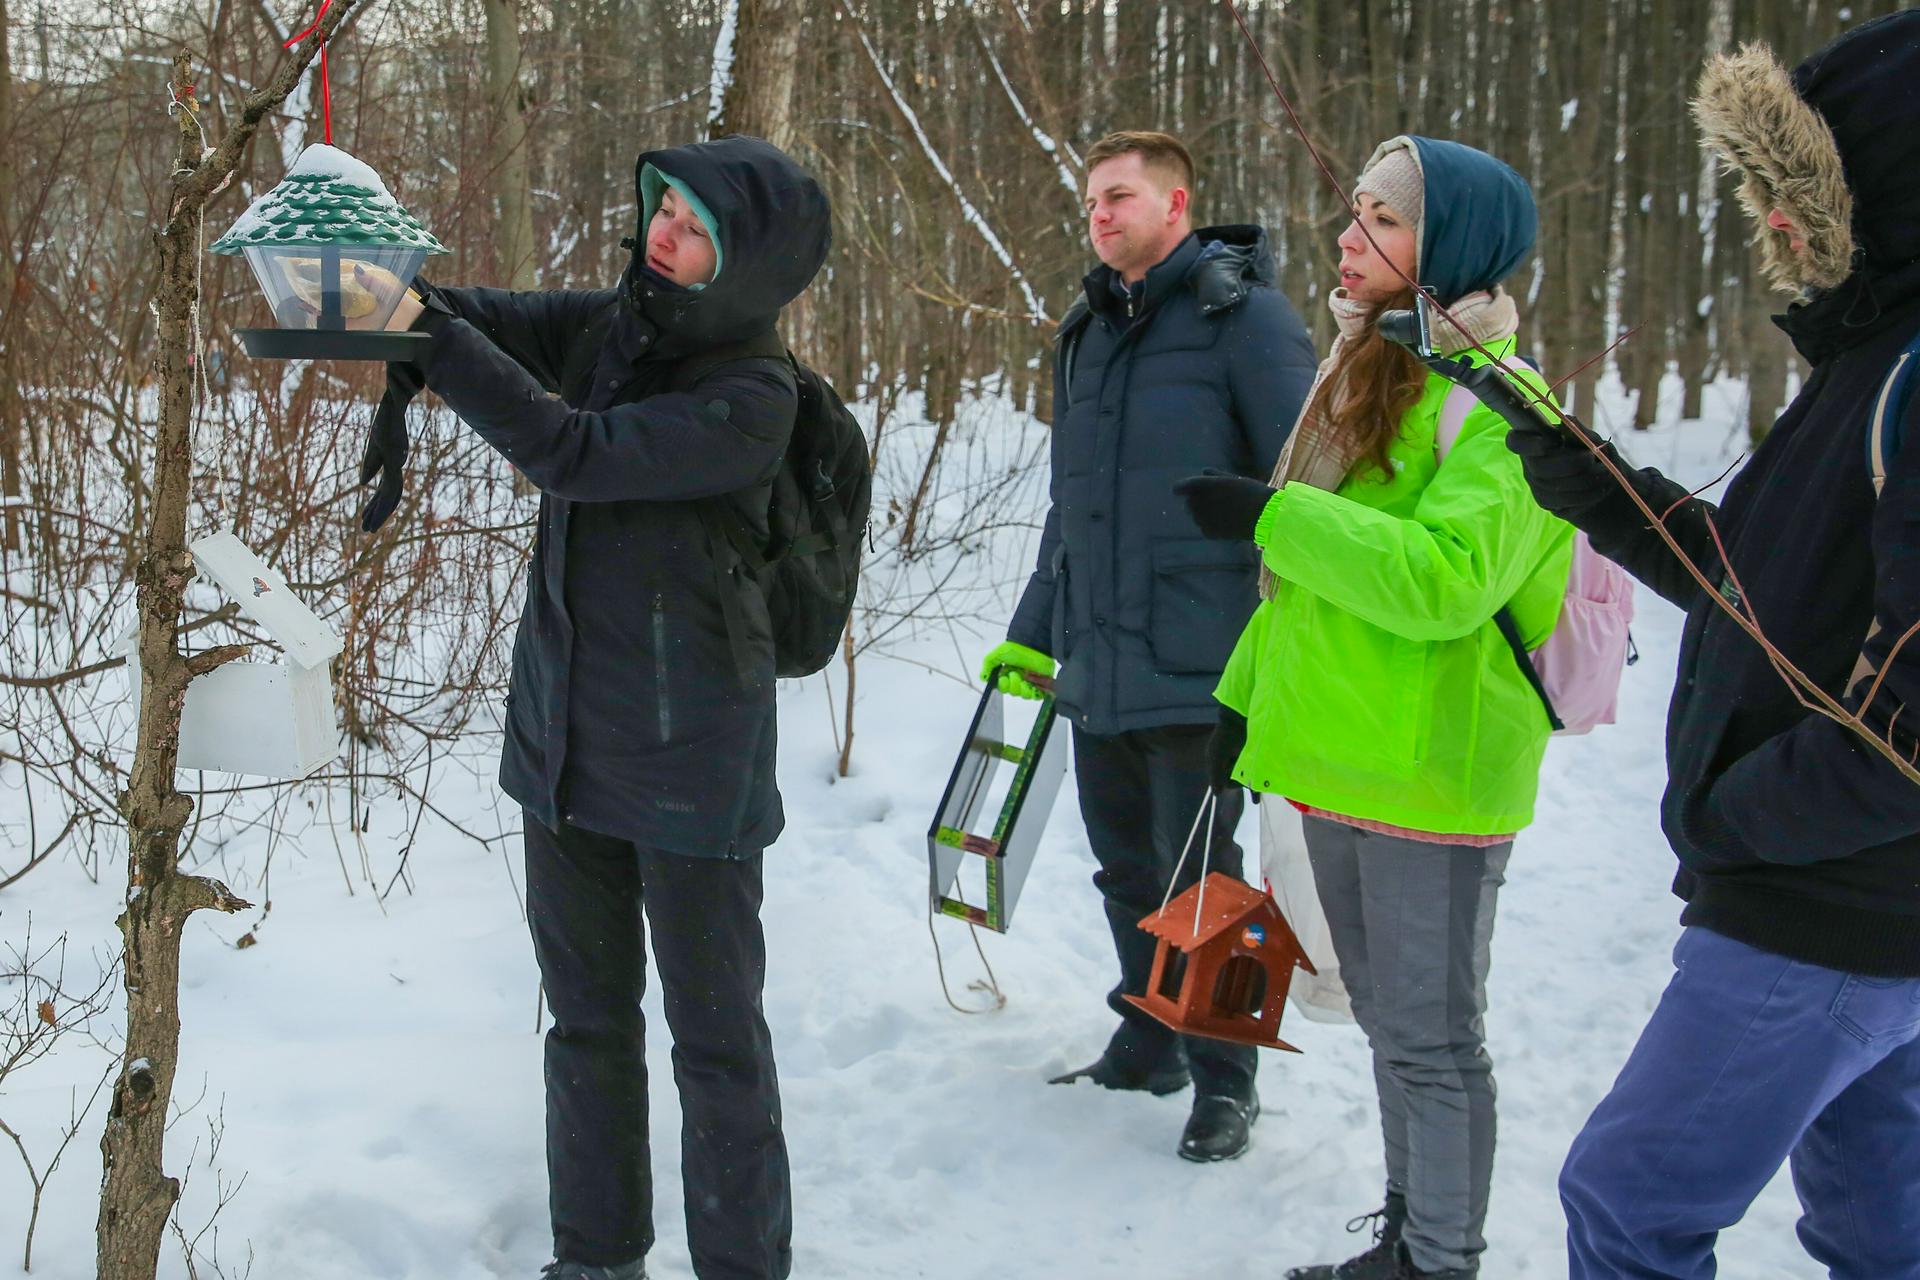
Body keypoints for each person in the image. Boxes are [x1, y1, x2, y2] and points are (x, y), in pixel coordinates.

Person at [1470, 15, 1920, 1278]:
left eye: (1805, 191)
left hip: (1823, 911)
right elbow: (1760, 586)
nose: (1777, 226)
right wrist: (1583, 467)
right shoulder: (1872, 364)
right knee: (1882, 1234)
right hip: (1860, 909)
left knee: (1628, 1205)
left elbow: (1909, 731)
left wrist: (1733, 819)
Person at [376, 135, 831, 1280]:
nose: (660, 235)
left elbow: (566, 450)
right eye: (662, 210)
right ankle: (595, 1255)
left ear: (746, 268)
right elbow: (483, 316)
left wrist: (428, 334)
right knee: (585, 1024)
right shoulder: (619, 326)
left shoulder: (750, 398)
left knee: (717, 1046)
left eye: (692, 229)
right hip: (565, 751)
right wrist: (388, 289)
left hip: (694, 768)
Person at [1175, 136, 1571, 1280]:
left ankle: (1441, 1260)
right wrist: (1241, 704)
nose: (1349, 239)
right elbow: (1306, 593)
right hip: (1337, 763)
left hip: (1431, 777)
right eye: (1354, 214)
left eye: (1384, 222)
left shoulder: (1509, 407)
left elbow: (1445, 578)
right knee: (1395, 1036)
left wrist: (1271, 512)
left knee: (1434, 1041)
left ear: (1450, 250)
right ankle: (1409, 1239)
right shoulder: (1371, 373)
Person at [981, 130, 1315, 1162]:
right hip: (1103, 658)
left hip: (1206, 660)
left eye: (1119, 195)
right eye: (1092, 200)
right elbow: (1068, 506)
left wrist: (1288, 652)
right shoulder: (1085, 331)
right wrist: (1034, 635)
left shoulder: (1243, 320)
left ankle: (1227, 1080)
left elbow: (1308, 491)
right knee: (1126, 866)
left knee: (1204, 882)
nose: (1100, 213)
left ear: (1177, 205)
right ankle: (1151, 1035)